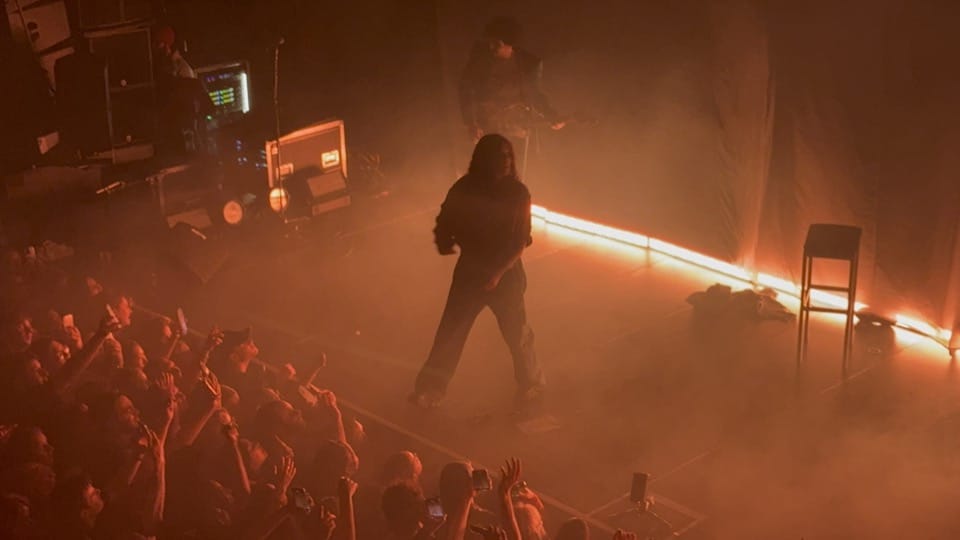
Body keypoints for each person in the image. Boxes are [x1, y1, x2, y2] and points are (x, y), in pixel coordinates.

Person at [409, 134, 545, 410]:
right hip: (471, 272)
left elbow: (520, 241)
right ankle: (430, 389)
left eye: (509, 156)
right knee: (451, 331)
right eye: (500, 156)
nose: (506, 162)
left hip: (506, 275)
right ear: (486, 160)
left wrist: (496, 274)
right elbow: (445, 219)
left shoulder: (517, 194)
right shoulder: (464, 189)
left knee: (517, 333)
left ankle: (531, 384)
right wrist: (443, 240)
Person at [459, 16, 565, 175]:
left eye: (497, 42)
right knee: (487, 172)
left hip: (517, 129)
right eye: (492, 41)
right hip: (488, 128)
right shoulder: (480, 61)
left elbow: (534, 93)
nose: (492, 45)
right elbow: (466, 89)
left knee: (513, 172)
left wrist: (550, 114)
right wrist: (471, 123)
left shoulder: (529, 64)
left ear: (508, 43)